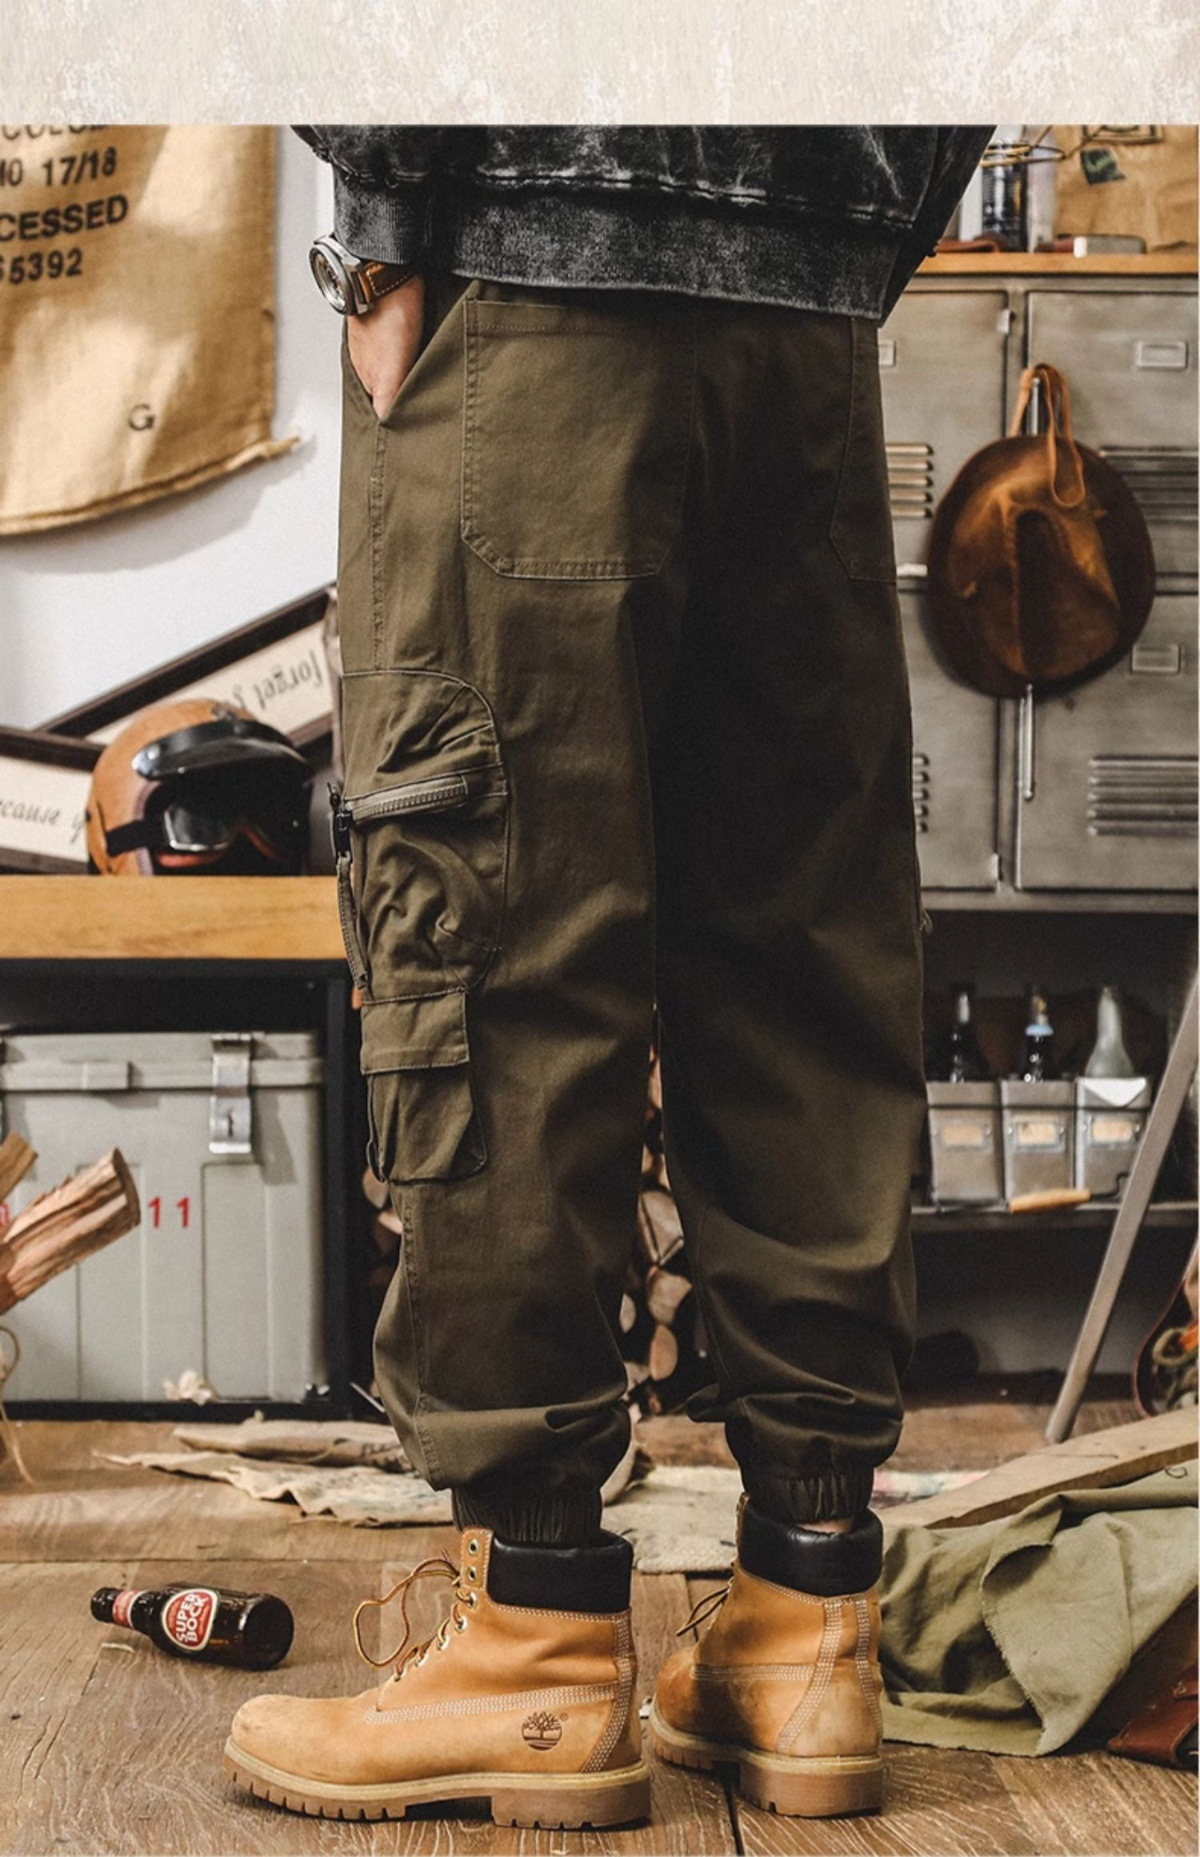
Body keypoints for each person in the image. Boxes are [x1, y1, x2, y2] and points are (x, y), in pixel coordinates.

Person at [224, 126, 991, 1829]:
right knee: (804, 941)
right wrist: (849, 249)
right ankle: (808, 1617)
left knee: (498, 943)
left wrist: (389, 212)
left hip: (534, 267)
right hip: (804, 313)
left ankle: (538, 1639)